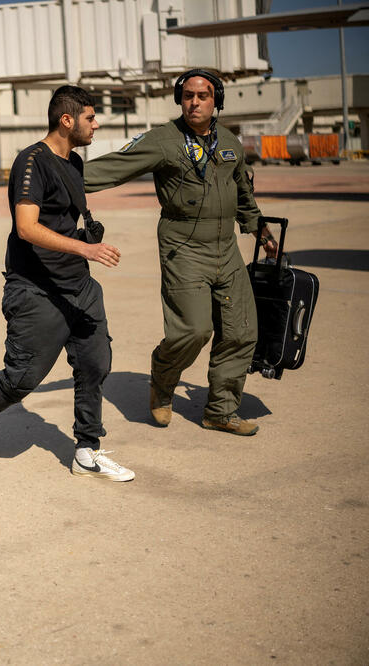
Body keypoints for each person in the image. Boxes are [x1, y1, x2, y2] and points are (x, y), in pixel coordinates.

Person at [0, 85, 134, 482]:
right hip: (35, 287)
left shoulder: (74, 162)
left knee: (95, 363)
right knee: (23, 378)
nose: (96, 124)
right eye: (90, 117)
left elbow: (63, 220)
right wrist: (85, 249)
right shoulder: (31, 161)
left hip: (78, 285)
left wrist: (82, 246)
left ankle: (86, 450)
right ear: (67, 120)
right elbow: (26, 227)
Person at [83, 69, 276, 436]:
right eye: (188, 96)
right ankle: (163, 376)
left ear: (216, 101)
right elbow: (114, 167)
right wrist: (55, 177)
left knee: (240, 332)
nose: (195, 102)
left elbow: (243, 192)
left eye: (203, 96)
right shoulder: (163, 140)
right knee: (193, 330)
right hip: (183, 248)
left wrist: (259, 228)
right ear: (179, 99)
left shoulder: (230, 142)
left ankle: (220, 411)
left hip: (226, 249)